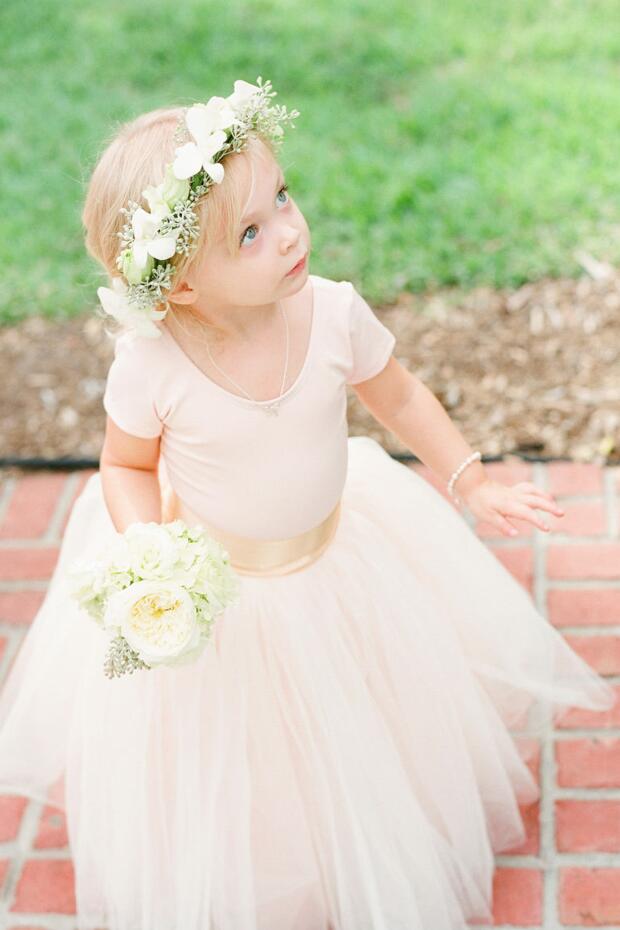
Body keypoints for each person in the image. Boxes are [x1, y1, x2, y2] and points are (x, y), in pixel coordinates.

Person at [0, 78, 615, 930]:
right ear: (177, 287)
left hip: (339, 557)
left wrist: (468, 476)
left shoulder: (331, 312)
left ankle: (367, 840)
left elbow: (398, 397)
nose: (288, 231)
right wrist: (151, 555)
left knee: (358, 718)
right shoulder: (154, 365)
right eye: (250, 233)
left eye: (281, 197)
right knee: (243, 757)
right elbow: (125, 463)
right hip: (225, 590)